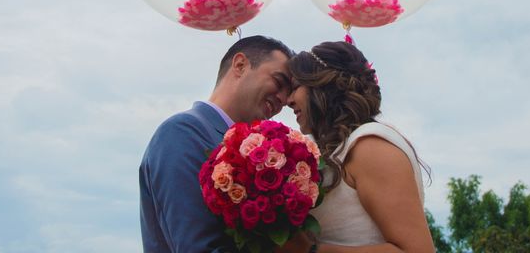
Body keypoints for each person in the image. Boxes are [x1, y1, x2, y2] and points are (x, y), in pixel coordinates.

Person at [139, 35, 294, 253]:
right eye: (279, 82)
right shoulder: (183, 133)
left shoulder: (250, 149)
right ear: (240, 65)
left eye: (287, 96)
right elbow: (198, 246)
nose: (283, 99)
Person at [282, 41, 435, 253]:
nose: (288, 100)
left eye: (296, 86)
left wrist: (310, 251)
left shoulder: (369, 146)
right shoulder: (340, 150)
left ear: (322, 85)